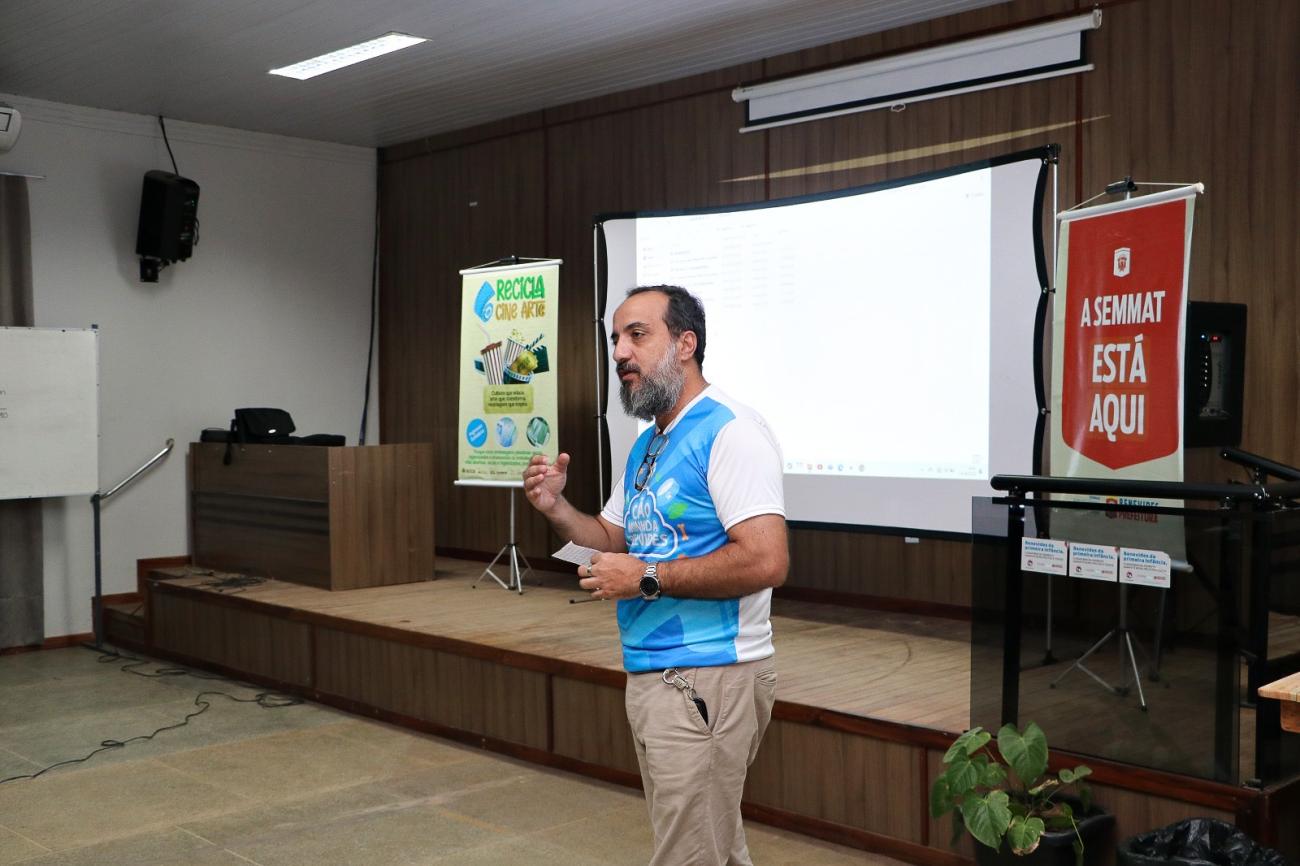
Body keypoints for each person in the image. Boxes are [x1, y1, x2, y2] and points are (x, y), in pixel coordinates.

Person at [522, 285, 788, 866]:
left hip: (710, 673)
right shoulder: (649, 443)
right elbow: (612, 538)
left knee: (689, 853)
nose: (620, 352)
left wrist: (646, 577)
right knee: (712, 846)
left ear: (685, 344)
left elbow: (766, 560)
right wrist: (556, 508)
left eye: (637, 335)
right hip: (656, 671)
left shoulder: (732, 431)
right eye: (616, 338)